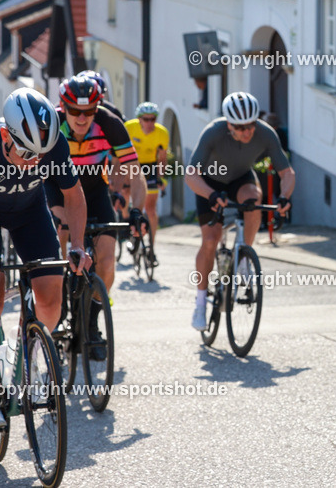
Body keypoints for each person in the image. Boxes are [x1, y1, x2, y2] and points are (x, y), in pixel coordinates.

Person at [0, 88, 89, 430]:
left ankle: (28, 351)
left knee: (52, 299)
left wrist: (80, 245)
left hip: (29, 214)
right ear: (4, 135)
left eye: (40, 155)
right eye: (25, 151)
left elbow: (74, 196)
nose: (33, 161)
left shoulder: (53, 146)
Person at [46, 76, 146, 352]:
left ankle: (91, 322)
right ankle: (59, 305)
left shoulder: (111, 123)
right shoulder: (52, 125)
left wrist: (137, 210)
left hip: (93, 190)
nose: (81, 117)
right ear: (63, 107)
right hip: (56, 187)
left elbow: (134, 172)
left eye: (89, 111)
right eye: (75, 111)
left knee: (107, 260)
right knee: (62, 232)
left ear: (97, 107)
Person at [186, 91, 294, 331]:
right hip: (209, 183)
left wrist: (285, 197)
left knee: (253, 199)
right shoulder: (213, 132)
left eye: (251, 125)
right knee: (211, 240)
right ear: (228, 124)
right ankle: (201, 302)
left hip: (240, 178)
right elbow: (190, 174)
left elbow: (286, 173)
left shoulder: (266, 133)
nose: (247, 131)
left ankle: (244, 255)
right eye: (240, 127)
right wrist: (211, 195)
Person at [125, 102, 169, 251]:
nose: (150, 123)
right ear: (139, 119)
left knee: (150, 209)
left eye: (153, 119)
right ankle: (128, 226)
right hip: (131, 164)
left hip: (150, 166)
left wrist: (160, 177)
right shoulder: (129, 128)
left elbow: (162, 159)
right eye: (146, 119)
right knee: (125, 193)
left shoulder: (162, 133)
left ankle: (151, 246)